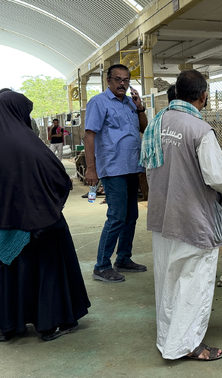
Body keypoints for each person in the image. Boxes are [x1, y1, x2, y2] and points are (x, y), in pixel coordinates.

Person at [141, 70, 222, 361]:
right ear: (204, 96)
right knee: (194, 283)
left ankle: (167, 340)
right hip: (192, 220)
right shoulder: (199, 129)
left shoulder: (156, 124)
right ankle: (188, 345)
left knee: (168, 281)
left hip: (162, 217)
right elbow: (217, 176)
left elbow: (147, 168)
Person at [0, 91, 90, 342]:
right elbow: (57, 176)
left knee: (6, 276)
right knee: (45, 271)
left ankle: (8, 327)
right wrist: (48, 203)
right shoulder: (25, 141)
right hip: (34, 224)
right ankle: (48, 324)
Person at [85, 64, 148, 283]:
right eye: (118, 79)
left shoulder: (131, 102)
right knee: (117, 217)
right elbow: (90, 135)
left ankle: (123, 258)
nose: (122, 83)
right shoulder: (98, 102)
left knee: (131, 216)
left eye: (126, 79)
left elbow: (143, 128)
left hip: (132, 166)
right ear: (108, 81)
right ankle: (101, 266)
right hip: (113, 169)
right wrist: (91, 168)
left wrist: (140, 108)